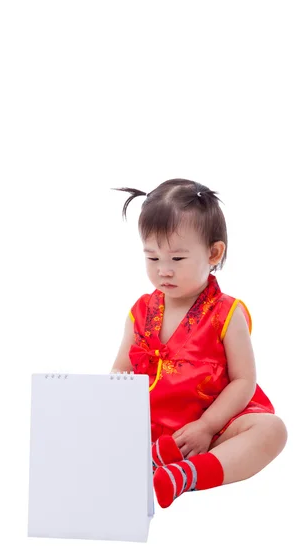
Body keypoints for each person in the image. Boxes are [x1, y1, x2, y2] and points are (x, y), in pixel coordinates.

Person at [110, 178, 288, 508]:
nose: (163, 271)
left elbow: (244, 380)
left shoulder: (226, 313)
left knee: (272, 431)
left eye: (177, 260)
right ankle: (152, 459)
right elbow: (121, 368)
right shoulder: (140, 312)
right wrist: (117, 389)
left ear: (213, 253)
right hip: (152, 429)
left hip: (211, 425)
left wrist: (207, 426)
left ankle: (186, 475)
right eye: (152, 258)